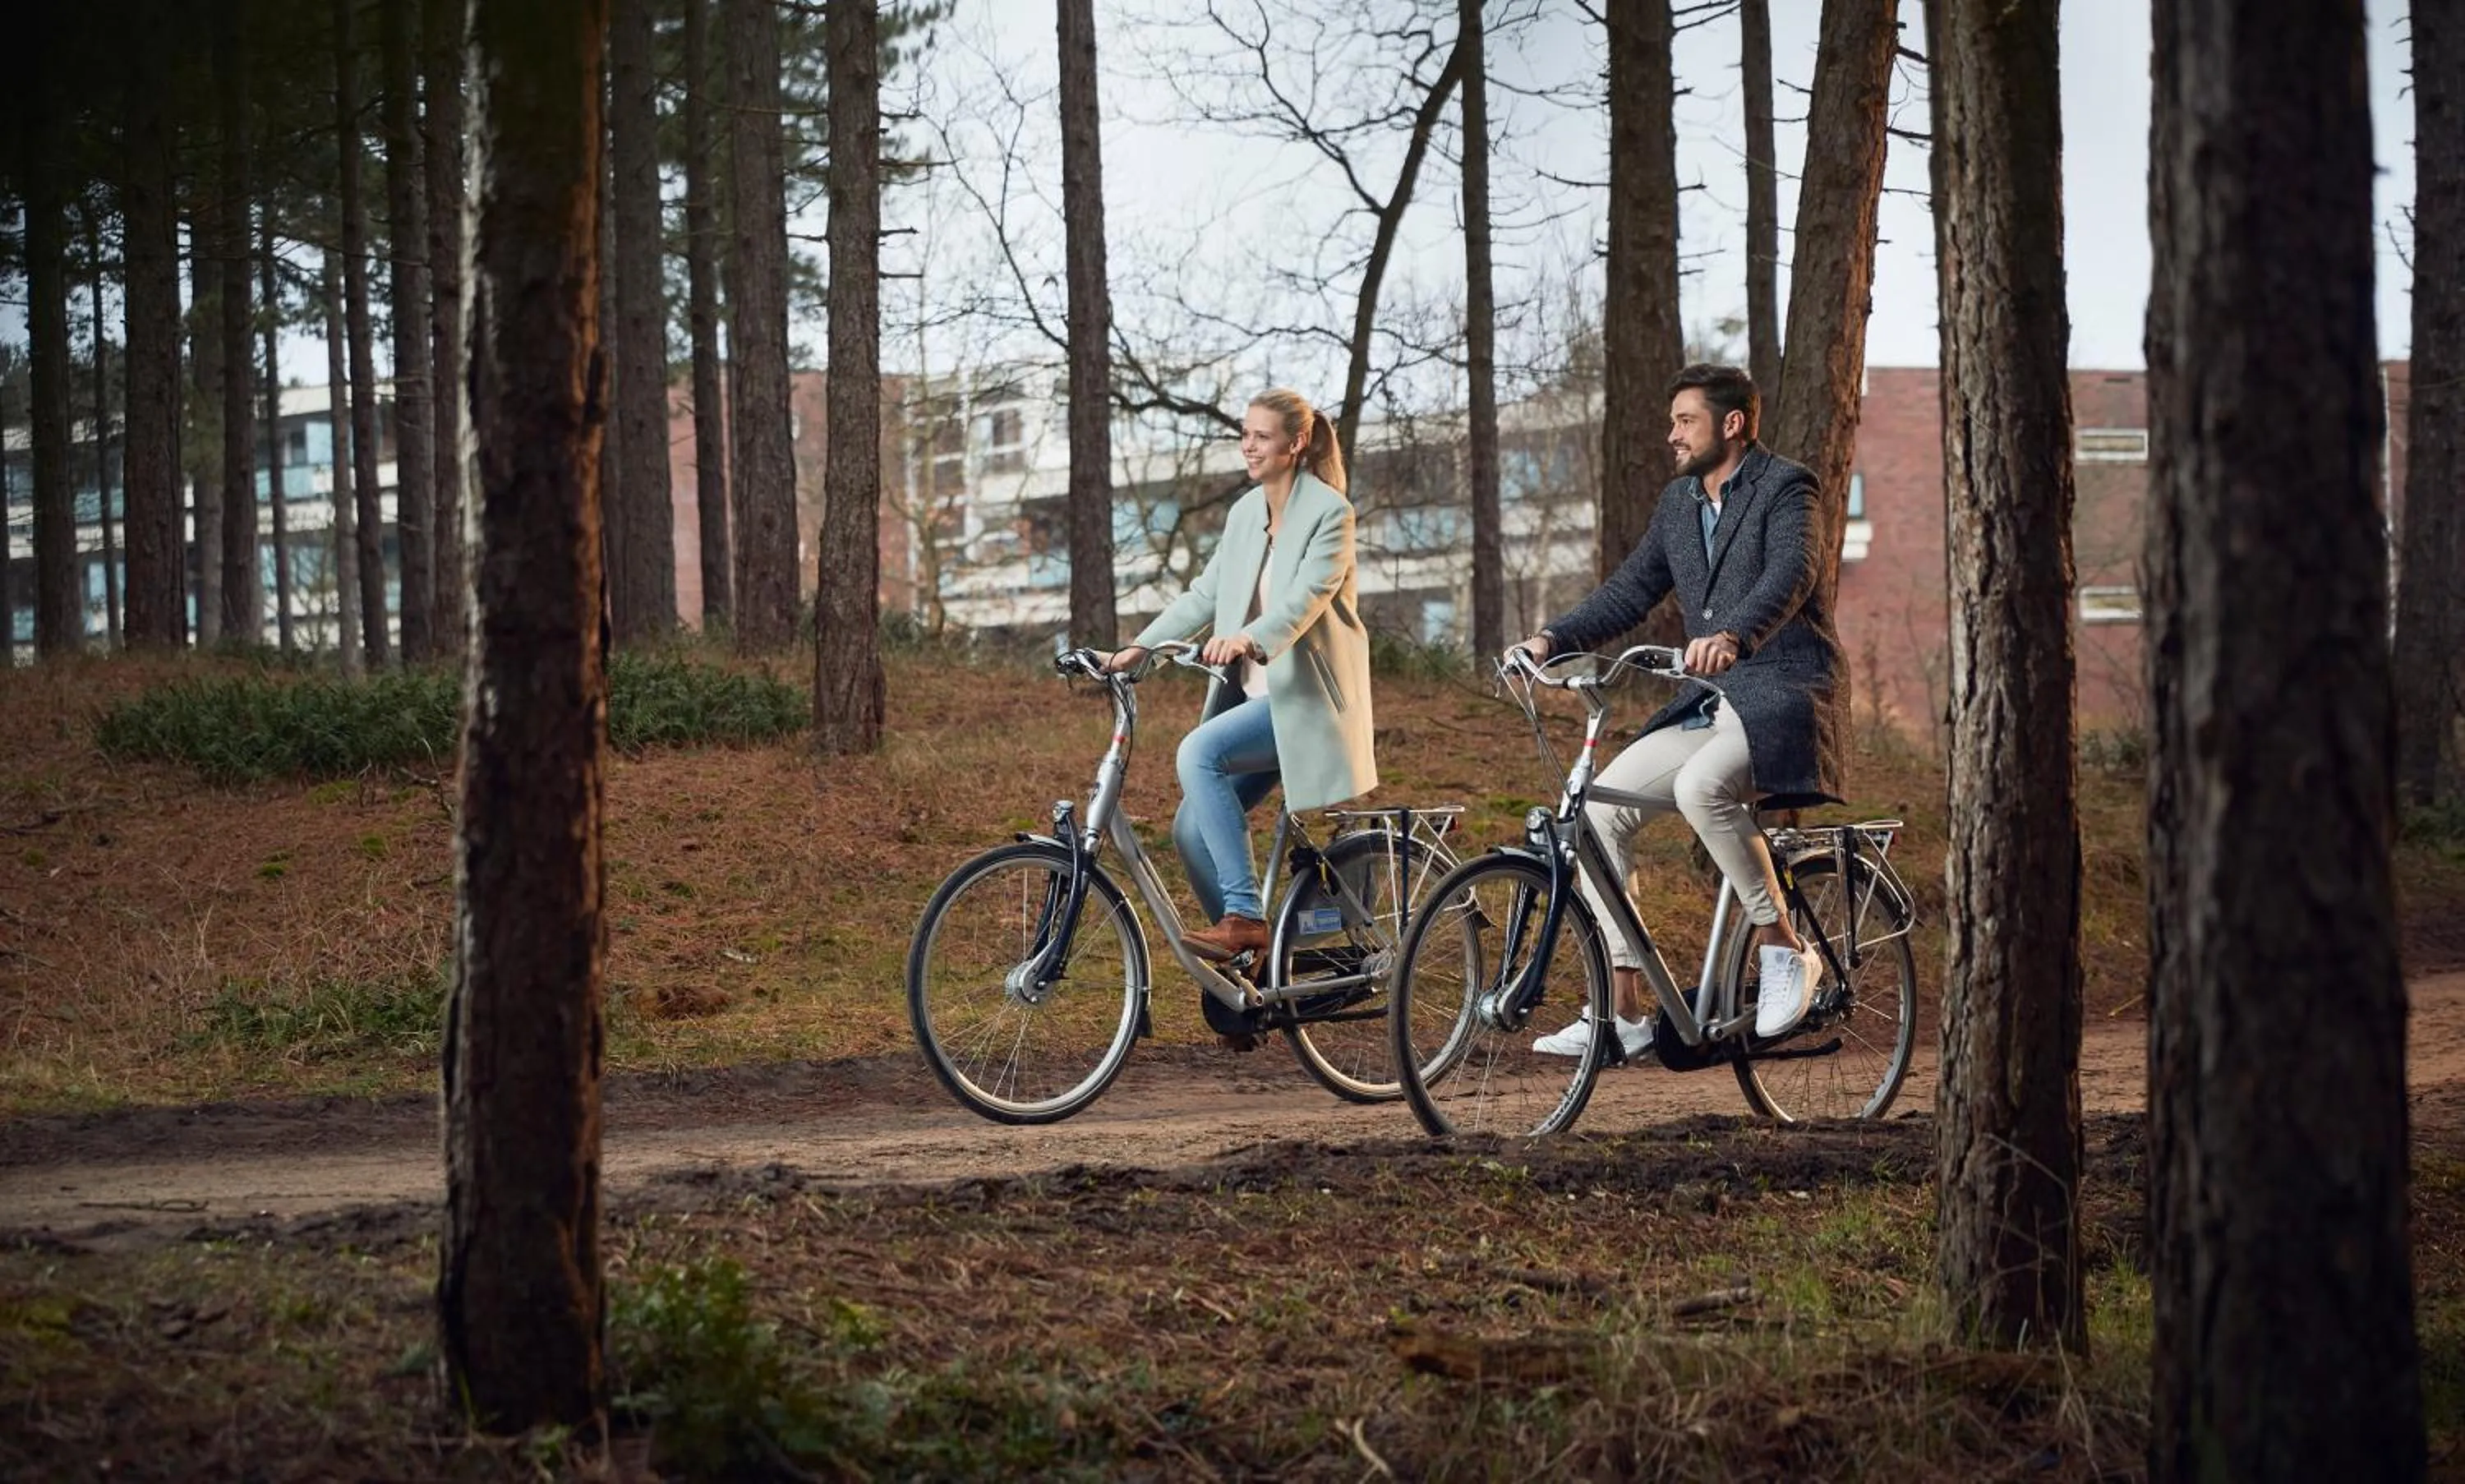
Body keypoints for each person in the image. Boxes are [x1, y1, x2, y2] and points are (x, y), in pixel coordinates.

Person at [1518, 362, 1847, 1056]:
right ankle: (1625, 1009)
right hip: (1709, 700)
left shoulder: (1785, 487)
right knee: (1600, 815)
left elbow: (1794, 574)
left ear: (1732, 424)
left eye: (1685, 421)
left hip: (1783, 689)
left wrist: (1735, 635)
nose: (1672, 435)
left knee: (1703, 789)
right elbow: (1631, 589)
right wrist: (1553, 638)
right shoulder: (1679, 503)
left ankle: (1786, 951)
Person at [1103, 388, 1378, 961]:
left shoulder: (1330, 512)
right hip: (1258, 702)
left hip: (1307, 705)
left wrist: (1249, 637)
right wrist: (1139, 649)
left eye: (1261, 436)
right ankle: (1247, 970)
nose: (1248, 446)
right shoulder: (1246, 513)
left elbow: (1306, 597)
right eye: (1245, 434)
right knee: (1189, 830)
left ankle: (1246, 919)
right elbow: (1205, 592)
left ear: (1296, 443)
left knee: (1197, 752)